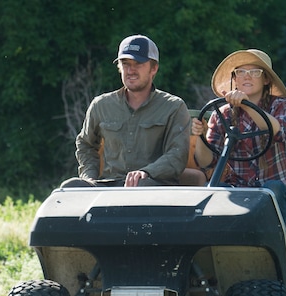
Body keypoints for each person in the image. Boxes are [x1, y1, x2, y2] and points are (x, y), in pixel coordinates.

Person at [61, 35, 191, 188]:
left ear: (154, 68)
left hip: (154, 188)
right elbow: (85, 144)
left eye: (138, 64)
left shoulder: (173, 107)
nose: (131, 70)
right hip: (110, 186)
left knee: (140, 184)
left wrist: (147, 172)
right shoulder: (101, 105)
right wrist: (89, 178)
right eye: (125, 64)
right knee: (71, 187)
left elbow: (177, 154)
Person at [192, 49, 286, 222]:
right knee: (212, 189)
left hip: (277, 195)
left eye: (255, 72)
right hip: (239, 192)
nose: (247, 77)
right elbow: (206, 162)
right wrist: (200, 135)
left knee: (272, 189)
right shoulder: (223, 113)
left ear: (266, 79)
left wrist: (246, 104)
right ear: (234, 78)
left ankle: (273, 243)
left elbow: (278, 131)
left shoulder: (281, 105)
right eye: (241, 72)